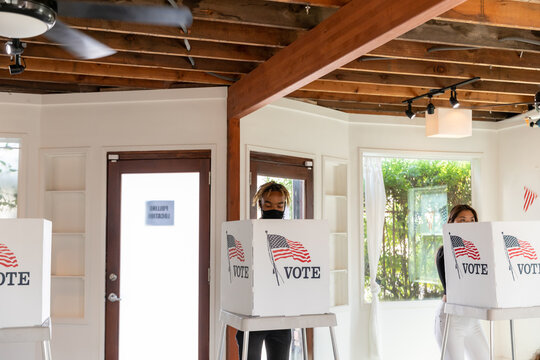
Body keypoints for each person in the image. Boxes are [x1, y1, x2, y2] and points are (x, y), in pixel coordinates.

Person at [236, 181, 293, 359]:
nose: (274, 209)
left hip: (281, 314)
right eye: (268, 204)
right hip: (253, 313)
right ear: (260, 204)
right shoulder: (248, 231)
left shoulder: (294, 233)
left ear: (285, 205)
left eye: (279, 204)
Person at [434, 204, 489, 360]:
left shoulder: (479, 251)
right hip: (451, 318)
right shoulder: (444, 252)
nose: (469, 224)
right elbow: (456, 288)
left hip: (471, 319)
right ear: (451, 223)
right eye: (462, 220)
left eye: (472, 220)